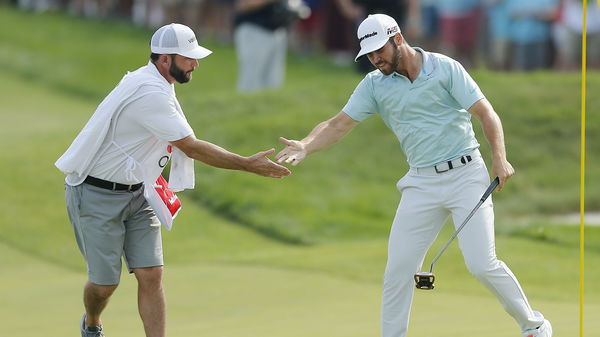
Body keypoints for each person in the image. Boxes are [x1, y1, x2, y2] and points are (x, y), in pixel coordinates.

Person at [275, 14, 552, 337]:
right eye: (369, 54)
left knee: (481, 263)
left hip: (466, 175)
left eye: (379, 50)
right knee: (398, 271)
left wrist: (499, 158)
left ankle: (534, 325)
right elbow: (338, 125)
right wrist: (306, 145)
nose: (375, 59)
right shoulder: (375, 85)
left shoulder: (444, 68)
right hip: (420, 183)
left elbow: (485, 112)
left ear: (398, 39)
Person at [55, 23, 291, 337]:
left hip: (141, 191)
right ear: (165, 59)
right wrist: (247, 164)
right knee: (104, 284)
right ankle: (92, 323)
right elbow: (190, 146)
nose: (196, 64)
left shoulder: (157, 81)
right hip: (96, 194)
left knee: (151, 274)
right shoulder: (149, 92)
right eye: (188, 58)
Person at [233, 0, 291, 92]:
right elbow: (243, 4)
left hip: (277, 30)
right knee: (251, 82)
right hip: (254, 29)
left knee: (274, 81)